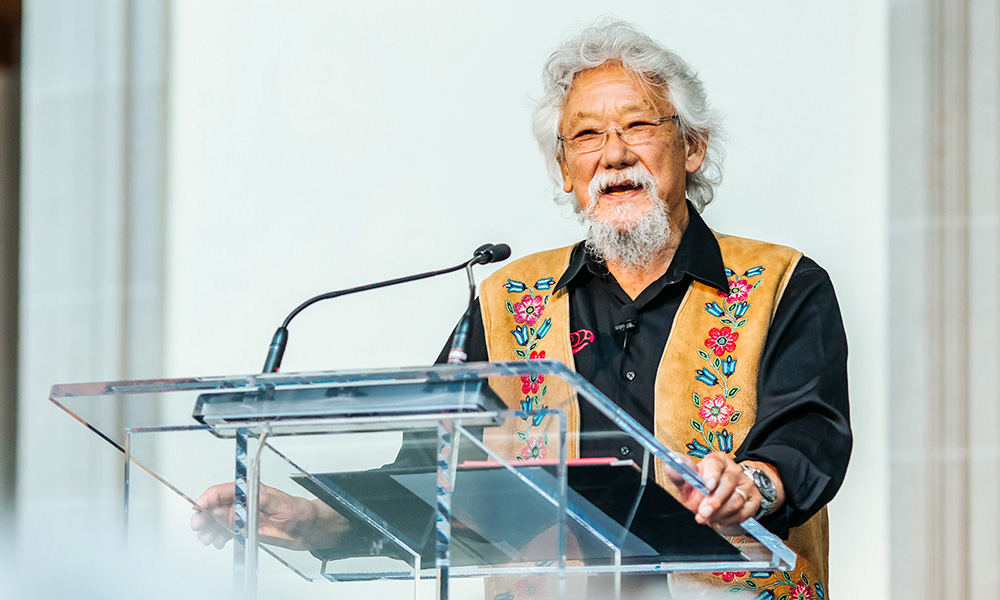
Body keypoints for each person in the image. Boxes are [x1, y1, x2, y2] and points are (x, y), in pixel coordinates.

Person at [193, 19, 851, 599]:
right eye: (586, 136)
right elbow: (432, 474)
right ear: (564, 169)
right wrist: (315, 519)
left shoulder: (781, 283)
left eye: (638, 125)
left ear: (693, 146)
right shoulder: (507, 300)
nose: (614, 154)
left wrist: (752, 485)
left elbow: (808, 438)